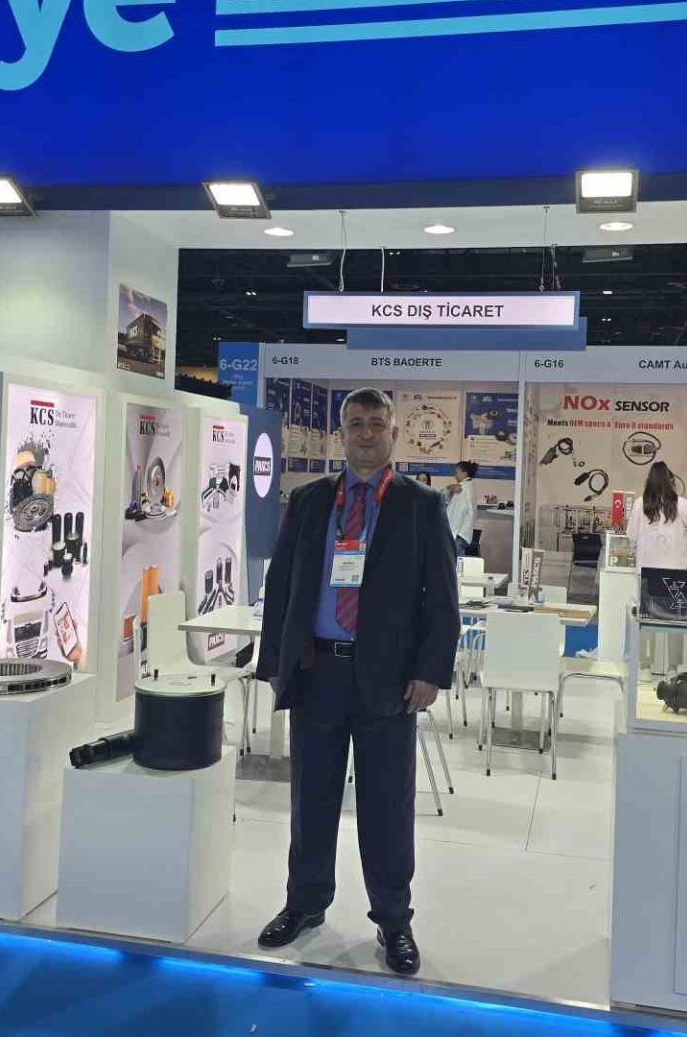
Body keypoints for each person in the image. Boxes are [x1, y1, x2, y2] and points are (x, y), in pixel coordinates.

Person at [254, 387, 459, 976]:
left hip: (389, 681)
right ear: (342, 433)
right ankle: (304, 903)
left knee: (387, 806)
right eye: (355, 423)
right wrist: (276, 661)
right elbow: (283, 584)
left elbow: (442, 598)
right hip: (317, 670)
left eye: (376, 423)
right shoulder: (311, 499)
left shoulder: (420, 505)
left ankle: (393, 920)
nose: (366, 433)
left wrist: (430, 670)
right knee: (310, 798)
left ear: (394, 432)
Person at [629, 461, 687, 572]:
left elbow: (632, 538)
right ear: (672, 482)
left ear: (648, 482)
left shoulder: (639, 504)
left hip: (645, 571)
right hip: (675, 572)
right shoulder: (683, 505)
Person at [444, 460, 478, 557]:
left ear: (464, 473)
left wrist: (450, 535)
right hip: (462, 534)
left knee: (453, 563)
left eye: (456, 472)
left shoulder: (462, 488)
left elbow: (457, 514)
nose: (455, 475)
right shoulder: (470, 486)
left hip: (457, 535)